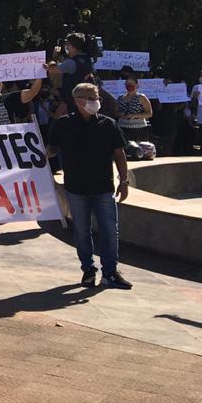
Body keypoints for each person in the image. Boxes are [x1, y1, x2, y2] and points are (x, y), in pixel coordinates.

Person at [47, 82, 132, 290]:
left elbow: (119, 154)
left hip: (104, 187)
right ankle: (88, 270)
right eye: (92, 97)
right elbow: (51, 150)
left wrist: (124, 180)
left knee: (110, 231)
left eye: (97, 97)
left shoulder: (108, 124)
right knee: (82, 232)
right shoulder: (63, 125)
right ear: (77, 101)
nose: (97, 101)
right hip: (76, 188)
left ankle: (110, 272)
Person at [47, 34, 95, 111]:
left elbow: (51, 69)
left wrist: (54, 57)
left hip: (73, 102)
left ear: (72, 46)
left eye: (67, 44)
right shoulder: (88, 59)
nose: (66, 47)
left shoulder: (71, 62)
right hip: (84, 101)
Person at [115, 77, 154, 145]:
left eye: (131, 83)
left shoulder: (141, 97)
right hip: (123, 127)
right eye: (127, 84)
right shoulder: (120, 98)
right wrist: (121, 114)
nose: (129, 85)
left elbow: (149, 113)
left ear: (137, 85)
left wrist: (135, 116)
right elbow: (115, 112)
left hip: (138, 129)